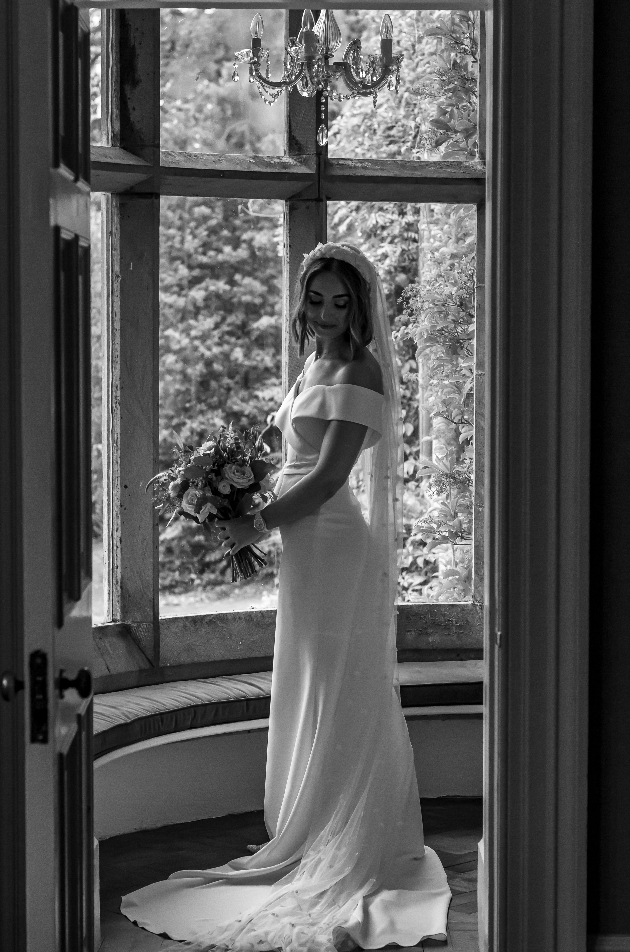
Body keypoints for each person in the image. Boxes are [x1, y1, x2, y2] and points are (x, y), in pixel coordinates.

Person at [120, 243, 451, 951]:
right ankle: (312, 818)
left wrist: (252, 521)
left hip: (331, 540)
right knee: (313, 680)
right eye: (317, 300)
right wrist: (226, 475)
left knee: (342, 684)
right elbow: (281, 447)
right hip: (305, 548)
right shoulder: (313, 363)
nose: (327, 313)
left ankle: (347, 834)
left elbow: (329, 478)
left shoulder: (360, 367)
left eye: (341, 302)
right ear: (302, 301)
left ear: (358, 306)